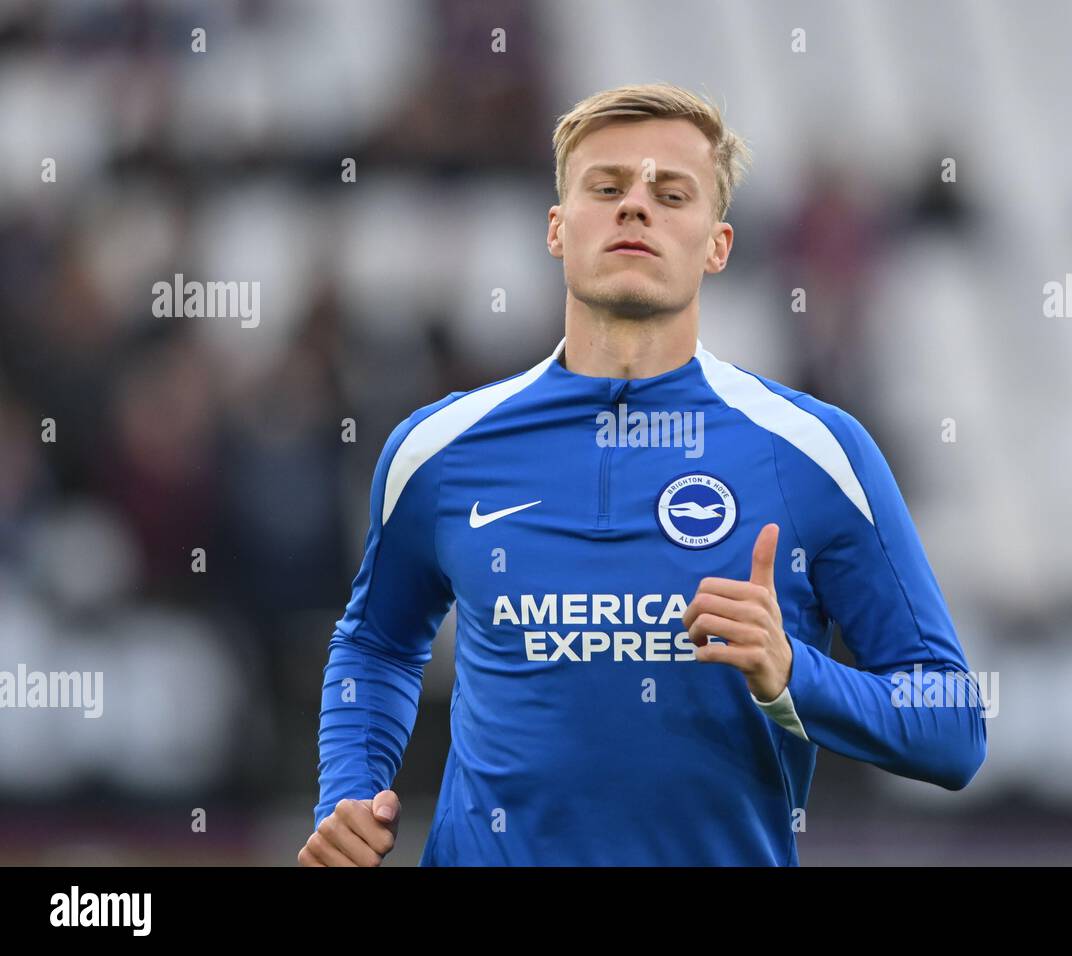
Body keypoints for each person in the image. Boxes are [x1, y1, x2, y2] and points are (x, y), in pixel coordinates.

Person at [300, 82, 986, 867]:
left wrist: (794, 675)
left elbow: (953, 724)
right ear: (557, 229)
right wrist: (349, 791)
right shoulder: (440, 447)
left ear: (718, 244)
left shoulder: (813, 451)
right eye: (606, 187)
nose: (635, 208)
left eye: (671, 193)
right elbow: (377, 643)